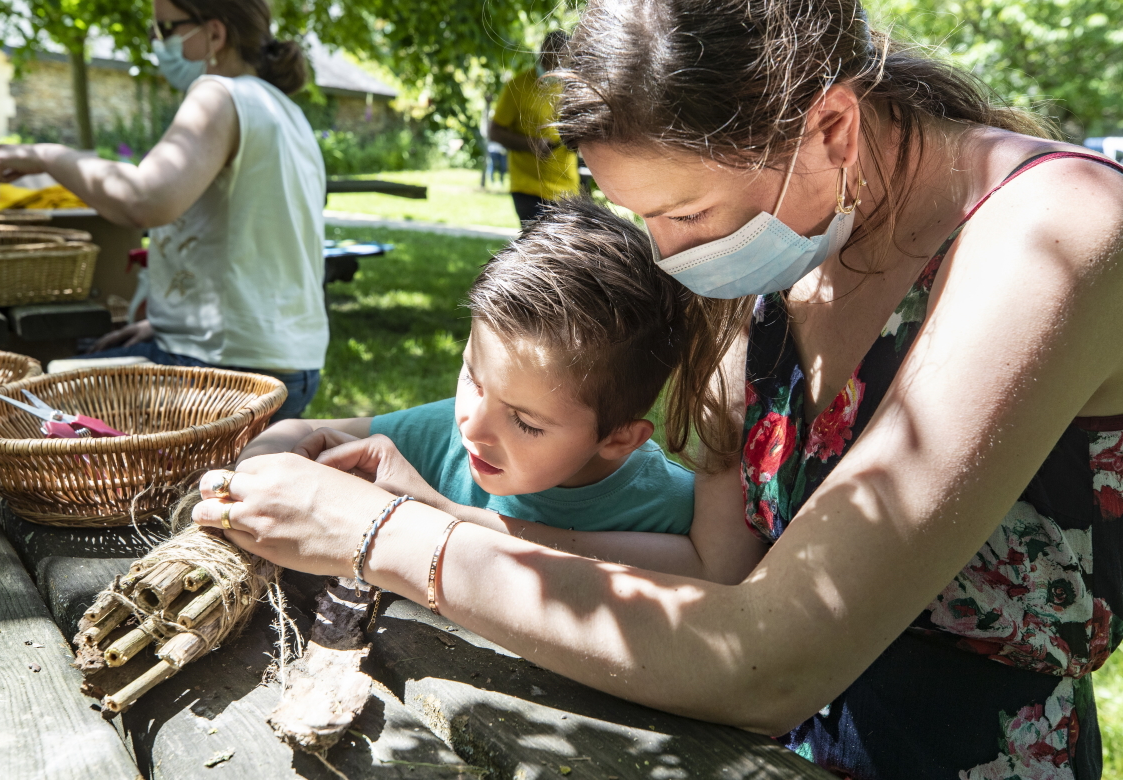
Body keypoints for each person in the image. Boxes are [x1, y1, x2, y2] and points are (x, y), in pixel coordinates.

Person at [189, 1, 1123, 776]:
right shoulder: (783, 250)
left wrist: (381, 538)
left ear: (831, 127)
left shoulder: (1054, 236)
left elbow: (769, 658)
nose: (668, 259)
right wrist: (438, 509)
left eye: (685, 214)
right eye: (645, 219)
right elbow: (719, 578)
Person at [239, 200, 693, 535]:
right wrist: (283, 472)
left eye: (525, 421)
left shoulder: (671, 513)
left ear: (617, 438)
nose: (472, 425)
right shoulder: (443, 435)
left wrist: (432, 511)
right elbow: (285, 434)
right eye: (472, 379)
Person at [0, 0, 328, 421]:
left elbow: (142, 199)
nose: (158, 44)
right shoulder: (286, 113)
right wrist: (168, 322)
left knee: (13, 407)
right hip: (289, 367)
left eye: (165, 29)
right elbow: (256, 243)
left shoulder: (218, 93)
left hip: (227, 373)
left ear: (215, 35)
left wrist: (45, 156)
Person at [488, 31, 580, 223]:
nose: (551, 64)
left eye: (560, 60)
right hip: (528, 187)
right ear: (540, 53)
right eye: (548, 57)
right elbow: (494, 132)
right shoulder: (517, 86)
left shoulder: (573, 87)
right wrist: (531, 144)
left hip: (567, 189)